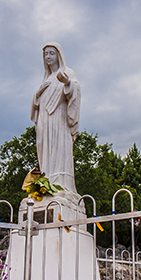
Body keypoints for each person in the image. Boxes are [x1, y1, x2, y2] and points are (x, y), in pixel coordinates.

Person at [31, 42, 81, 193]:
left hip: (59, 118)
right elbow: (36, 104)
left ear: (59, 55)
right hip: (44, 121)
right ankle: (46, 184)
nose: (48, 57)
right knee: (44, 149)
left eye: (51, 53)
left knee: (59, 149)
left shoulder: (68, 72)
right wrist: (38, 93)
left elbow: (76, 90)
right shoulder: (45, 79)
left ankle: (60, 184)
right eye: (45, 54)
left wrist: (67, 83)